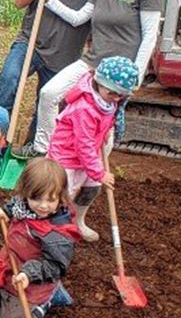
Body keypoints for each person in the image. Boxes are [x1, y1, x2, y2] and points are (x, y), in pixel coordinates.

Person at [0, 0, 165, 144]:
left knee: (85, 113)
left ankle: (38, 152)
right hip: (36, 43)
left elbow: (148, 31)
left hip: (79, 56)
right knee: (11, 80)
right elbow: (25, 3)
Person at [47, 56, 139, 242]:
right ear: (98, 83)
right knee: (64, 194)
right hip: (66, 156)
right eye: (112, 93)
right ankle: (53, 230)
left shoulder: (109, 101)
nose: (116, 98)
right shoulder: (84, 107)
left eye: (121, 95)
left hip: (86, 156)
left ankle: (77, 222)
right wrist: (99, 172)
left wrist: (105, 130)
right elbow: (84, 144)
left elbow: (105, 120)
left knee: (92, 188)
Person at [0, 157, 79, 318]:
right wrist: (6, 211)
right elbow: (16, 203)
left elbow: (55, 265)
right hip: (11, 261)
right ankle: (6, 292)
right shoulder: (23, 204)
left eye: (51, 200)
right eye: (37, 198)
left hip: (33, 278)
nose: (43, 206)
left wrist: (28, 274)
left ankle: (47, 300)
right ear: (26, 193)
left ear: (61, 197)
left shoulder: (57, 233)